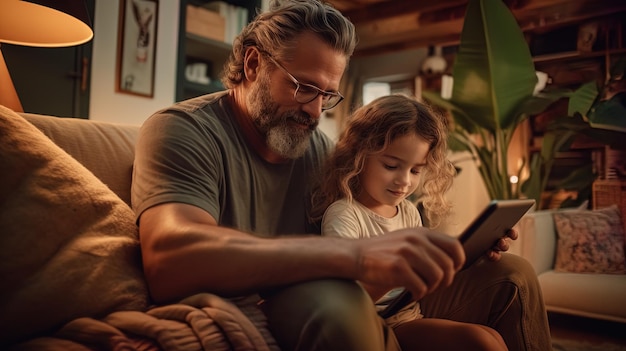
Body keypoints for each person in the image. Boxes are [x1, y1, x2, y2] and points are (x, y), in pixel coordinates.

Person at [131, 0, 551, 350]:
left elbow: (378, 210)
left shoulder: (316, 147)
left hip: (354, 291)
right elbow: (170, 258)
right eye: (303, 87)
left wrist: (461, 252)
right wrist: (354, 257)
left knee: (511, 275)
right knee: (339, 305)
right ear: (254, 63)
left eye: (328, 95)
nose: (315, 111)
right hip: (275, 298)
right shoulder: (184, 130)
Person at [312, 94, 508, 350]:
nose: (405, 181)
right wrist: (397, 272)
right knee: (482, 342)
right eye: (392, 166)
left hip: (407, 314)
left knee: (490, 335)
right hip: (372, 323)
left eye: (416, 170)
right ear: (358, 156)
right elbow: (344, 300)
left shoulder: (407, 212)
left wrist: (473, 249)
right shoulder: (345, 214)